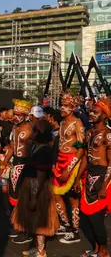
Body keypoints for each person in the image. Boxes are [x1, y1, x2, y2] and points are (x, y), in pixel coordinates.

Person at [12, 120, 59, 257]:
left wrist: (33, 196)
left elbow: (41, 175)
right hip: (31, 186)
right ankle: (35, 247)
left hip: (37, 189)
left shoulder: (44, 150)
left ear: (39, 133)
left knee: (39, 221)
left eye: (34, 130)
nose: (31, 132)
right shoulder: (35, 147)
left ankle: (41, 251)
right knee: (32, 220)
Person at [74, 97, 111, 257]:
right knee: (86, 218)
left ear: (105, 116)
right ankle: (96, 248)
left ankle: (104, 251)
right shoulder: (89, 133)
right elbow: (85, 157)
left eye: (95, 112)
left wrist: (104, 185)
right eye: (91, 110)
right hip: (89, 175)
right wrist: (77, 178)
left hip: (103, 176)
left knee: (96, 218)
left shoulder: (108, 135)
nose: (91, 113)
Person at [0, 99, 34, 244]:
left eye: (19, 114)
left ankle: (28, 231)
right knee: (15, 198)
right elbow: (12, 148)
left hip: (27, 165)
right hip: (16, 165)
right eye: (15, 113)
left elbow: (40, 147)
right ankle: (19, 226)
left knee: (25, 199)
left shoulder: (32, 128)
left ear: (25, 115)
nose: (15, 116)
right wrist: (3, 164)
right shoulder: (15, 129)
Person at [53, 92, 84, 244]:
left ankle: (76, 231)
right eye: (62, 105)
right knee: (55, 193)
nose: (62, 108)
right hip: (60, 161)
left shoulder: (77, 123)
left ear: (72, 108)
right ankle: (65, 224)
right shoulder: (62, 123)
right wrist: (55, 164)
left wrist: (69, 168)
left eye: (65, 106)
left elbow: (80, 148)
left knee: (72, 197)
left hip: (71, 161)